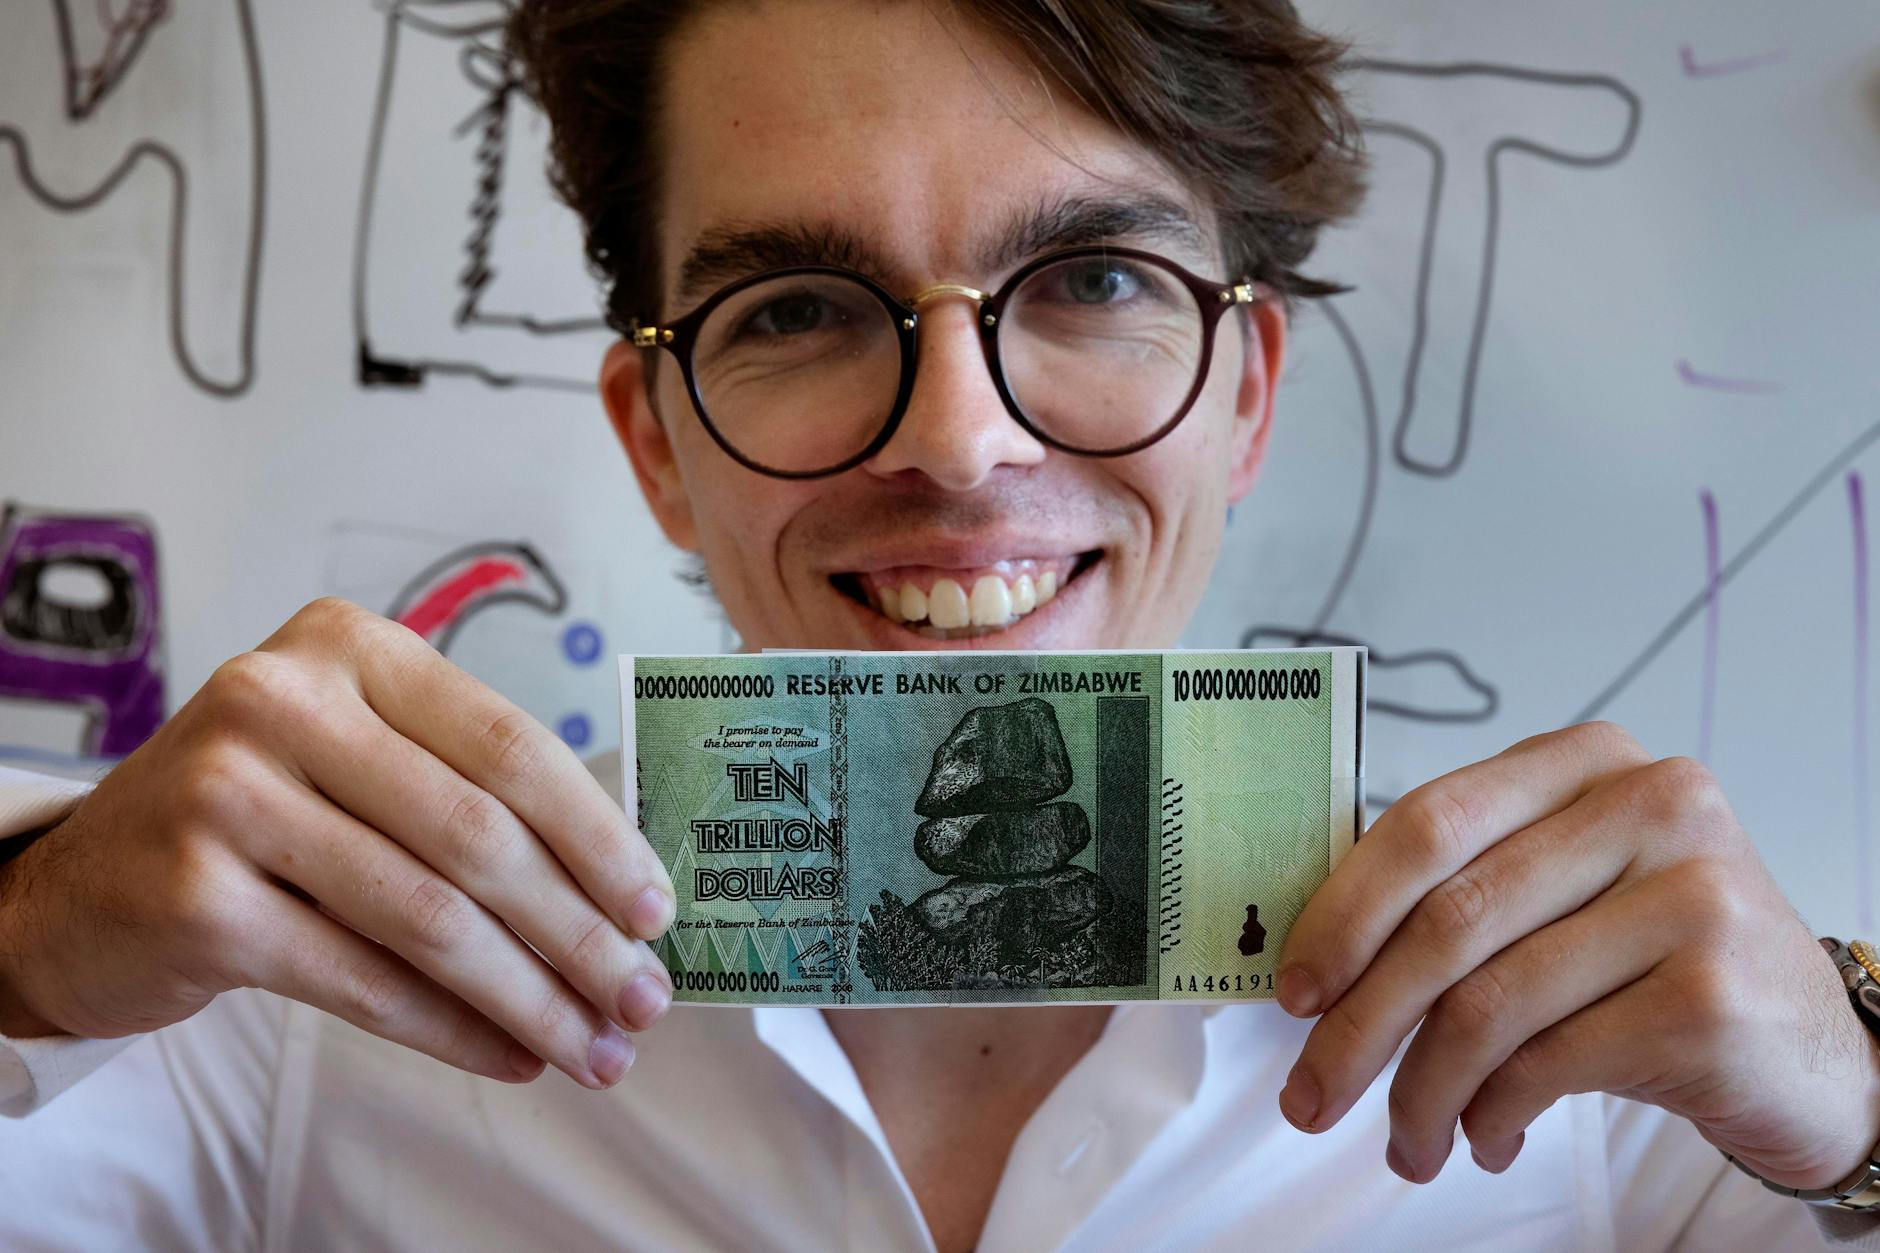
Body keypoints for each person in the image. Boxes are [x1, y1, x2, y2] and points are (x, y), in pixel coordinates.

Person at [1, 2, 1877, 1249]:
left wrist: (1867, 1104)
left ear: (1243, 395)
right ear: (659, 444)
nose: (960, 444)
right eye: (800, 311)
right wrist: (22, 944)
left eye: (1096, 279)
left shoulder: (1609, 1080)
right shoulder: (286, 1021)